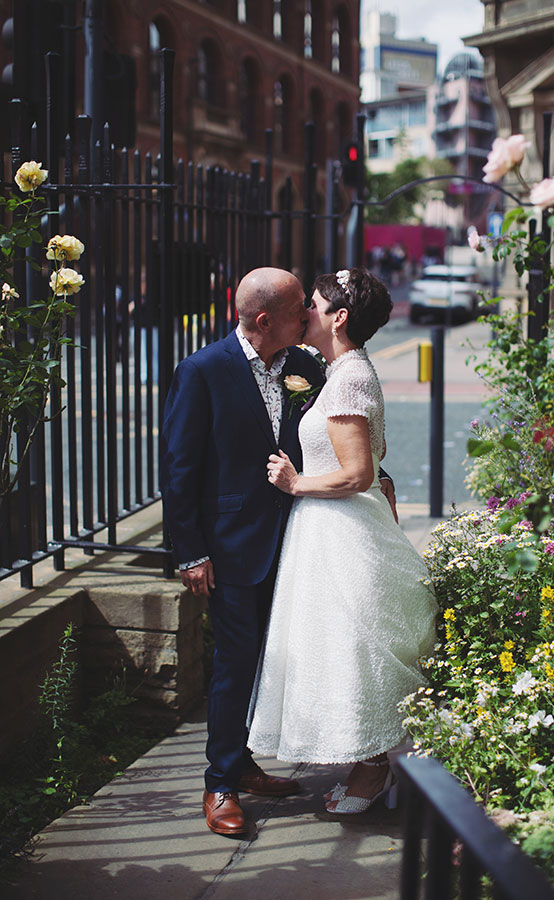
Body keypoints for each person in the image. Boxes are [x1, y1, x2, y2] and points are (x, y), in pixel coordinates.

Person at [247, 267, 438, 813]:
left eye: (313, 303)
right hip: (330, 527)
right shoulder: (342, 370)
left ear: (340, 316)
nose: (305, 310)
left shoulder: (350, 376)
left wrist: (295, 481)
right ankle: (369, 763)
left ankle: (375, 768)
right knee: (339, 645)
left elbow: (356, 473)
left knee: (353, 645)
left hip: (343, 526)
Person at [160, 267, 325, 836]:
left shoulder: (304, 366)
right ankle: (220, 783)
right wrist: (190, 552)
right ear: (264, 319)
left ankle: (246, 762)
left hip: (301, 538)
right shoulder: (202, 372)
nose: (306, 315)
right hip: (230, 550)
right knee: (234, 663)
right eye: (299, 307)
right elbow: (180, 471)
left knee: (275, 658)